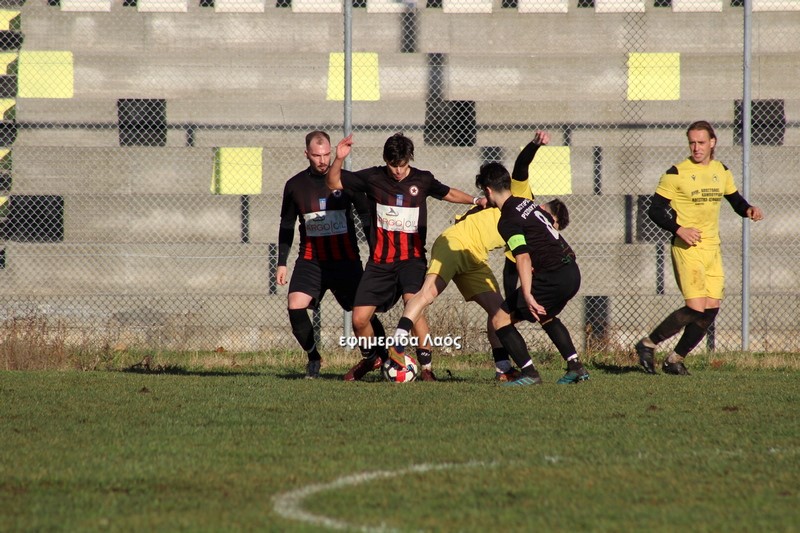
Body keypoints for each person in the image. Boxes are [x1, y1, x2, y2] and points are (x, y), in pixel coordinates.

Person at [387, 132, 551, 384]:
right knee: (428, 293)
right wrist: (534, 145)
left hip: (475, 257)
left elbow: (522, 259)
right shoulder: (520, 197)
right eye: (549, 213)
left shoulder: (530, 227)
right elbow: (521, 166)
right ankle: (397, 346)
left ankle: (503, 368)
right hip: (456, 243)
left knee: (498, 311)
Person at [326, 132, 486, 382]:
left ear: (409, 159)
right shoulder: (373, 178)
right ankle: (372, 359)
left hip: (412, 260)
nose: (398, 171)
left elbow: (447, 193)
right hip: (380, 262)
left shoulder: (422, 179)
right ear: (385, 160)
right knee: (359, 319)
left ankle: (426, 368)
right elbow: (333, 182)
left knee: (414, 303)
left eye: (402, 164)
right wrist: (339, 158)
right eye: (393, 165)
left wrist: (476, 200)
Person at [634, 120, 764, 375]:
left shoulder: (721, 170)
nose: (696, 147)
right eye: (692, 143)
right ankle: (647, 344)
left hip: (712, 248)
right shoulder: (676, 173)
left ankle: (675, 360)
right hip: (687, 248)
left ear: (712, 142)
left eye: (701, 142)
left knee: (711, 308)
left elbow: (735, 200)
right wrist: (678, 229)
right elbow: (655, 210)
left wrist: (748, 209)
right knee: (695, 307)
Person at [276, 130, 387, 379]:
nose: (322, 160)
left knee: (363, 313)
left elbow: (366, 216)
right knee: (295, 305)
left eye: (326, 154)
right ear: (307, 154)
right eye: (317, 155)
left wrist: (375, 251)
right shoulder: (295, 185)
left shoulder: (347, 181)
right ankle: (314, 358)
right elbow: (287, 224)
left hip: (345, 261)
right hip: (311, 261)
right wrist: (282, 262)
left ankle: (383, 358)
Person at [476, 162, 590, 384]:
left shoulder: (507, 220)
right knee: (545, 315)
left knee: (500, 320)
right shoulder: (527, 203)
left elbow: (522, 256)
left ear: (488, 190)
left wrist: (527, 294)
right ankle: (576, 367)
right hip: (571, 271)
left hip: (553, 275)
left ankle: (529, 373)